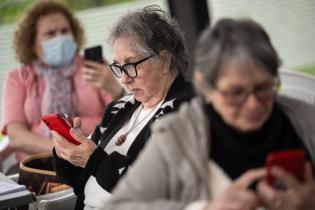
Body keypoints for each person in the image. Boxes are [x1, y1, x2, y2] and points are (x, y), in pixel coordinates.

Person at [106, 18, 315, 210]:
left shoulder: (306, 120)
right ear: (206, 86)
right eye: (235, 93)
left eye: (263, 88)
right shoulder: (178, 134)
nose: (253, 104)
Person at [52, 6, 195, 210]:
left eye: (131, 64)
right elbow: (78, 180)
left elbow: (151, 189)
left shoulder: (186, 109)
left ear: (164, 61)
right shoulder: (119, 108)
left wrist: (93, 159)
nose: (125, 79)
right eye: (119, 67)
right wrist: (67, 152)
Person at [0, 0, 123, 167]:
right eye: (50, 33)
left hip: (95, 156)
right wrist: (63, 150)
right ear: (32, 42)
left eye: (65, 31)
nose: (60, 37)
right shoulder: (18, 78)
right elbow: (16, 136)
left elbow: (121, 115)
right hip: (40, 165)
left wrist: (116, 89)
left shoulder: (93, 66)